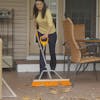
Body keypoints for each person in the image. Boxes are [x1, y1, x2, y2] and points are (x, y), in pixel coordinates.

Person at [33, 0, 57, 78]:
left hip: (51, 33)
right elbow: (36, 21)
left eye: (40, 4)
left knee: (52, 51)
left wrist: (46, 34)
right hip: (41, 33)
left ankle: (52, 69)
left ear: (43, 4)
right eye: (37, 4)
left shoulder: (47, 11)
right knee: (42, 52)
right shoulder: (36, 11)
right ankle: (42, 72)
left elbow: (50, 24)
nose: (38, 6)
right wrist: (36, 26)